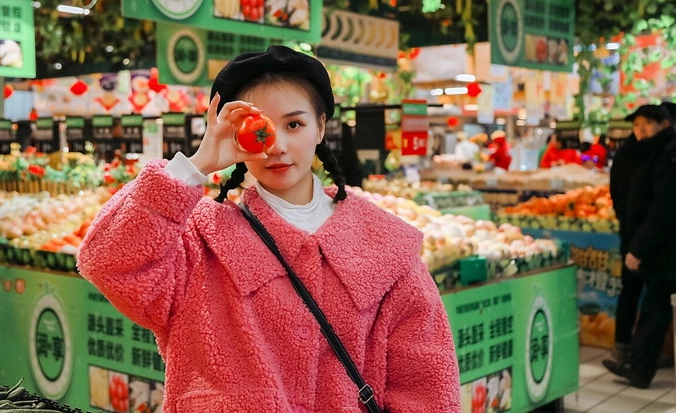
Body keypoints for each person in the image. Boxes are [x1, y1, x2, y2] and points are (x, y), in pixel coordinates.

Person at [77, 46, 461, 412]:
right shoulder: (201, 239)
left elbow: (428, 386)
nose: (276, 146)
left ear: (320, 127)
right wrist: (195, 164)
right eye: (258, 127)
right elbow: (107, 263)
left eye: (294, 124)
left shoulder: (386, 245)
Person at [604, 104, 676, 388]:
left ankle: (640, 367)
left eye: (648, 124)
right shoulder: (645, 152)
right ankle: (637, 362)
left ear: (665, 124)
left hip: (666, 247)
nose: (642, 130)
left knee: (656, 305)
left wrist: (640, 246)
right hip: (654, 243)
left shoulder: (671, 153)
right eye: (637, 125)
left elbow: (663, 208)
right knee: (654, 304)